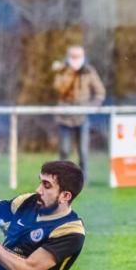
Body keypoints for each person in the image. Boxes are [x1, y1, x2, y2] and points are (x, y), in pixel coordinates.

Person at [52, 45, 105, 179]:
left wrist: (94, 105)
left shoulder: (89, 71)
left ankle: (83, 179)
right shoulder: (62, 70)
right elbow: (58, 89)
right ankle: (62, 178)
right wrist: (67, 73)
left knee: (83, 151)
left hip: (82, 117)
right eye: (73, 56)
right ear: (68, 57)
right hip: (64, 117)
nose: (76, 60)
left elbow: (100, 92)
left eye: (79, 56)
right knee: (64, 151)